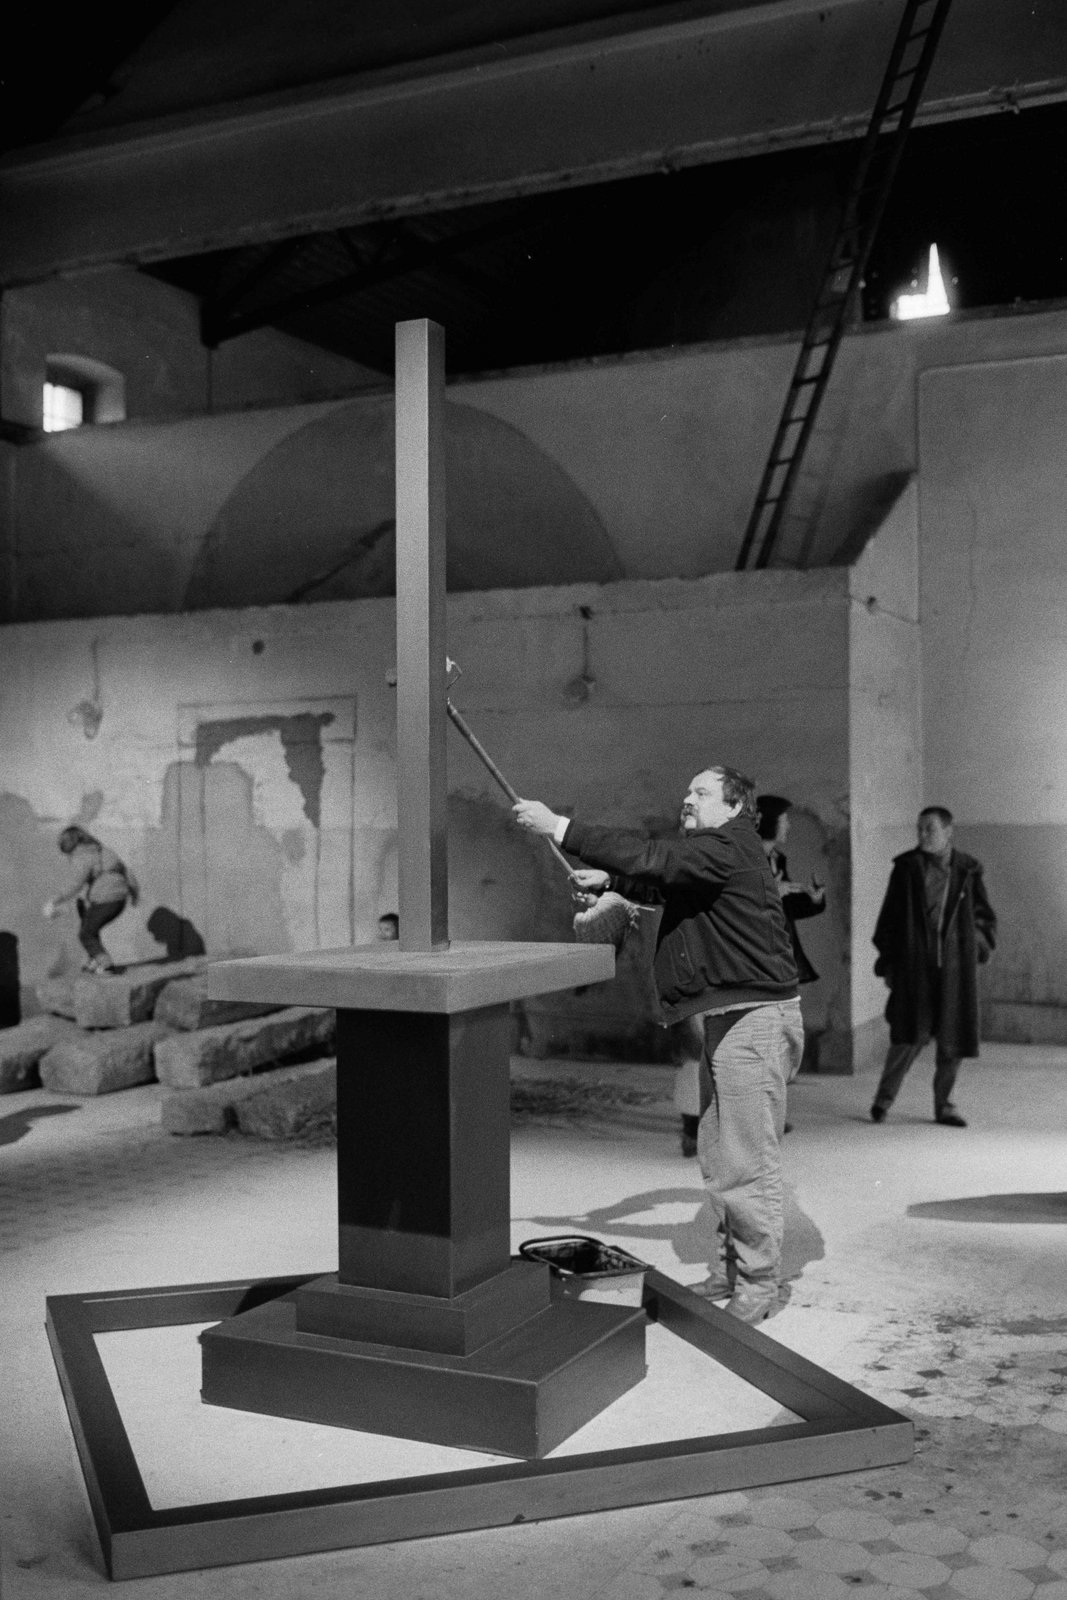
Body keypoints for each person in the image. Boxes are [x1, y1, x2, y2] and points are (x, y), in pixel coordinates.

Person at [513, 766, 803, 1324]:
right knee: (721, 1156)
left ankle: (760, 1283)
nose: (687, 799)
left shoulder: (730, 845)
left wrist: (560, 827)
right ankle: (731, 1270)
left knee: (747, 1162)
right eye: (687, 790)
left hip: (754, 1018)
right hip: (729, 1017)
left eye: (701, 792)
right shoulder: (713, 857)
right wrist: (612, 883)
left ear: (735, 807)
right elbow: (663, 883)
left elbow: (655, 859)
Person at [674, 793, 827, 1152]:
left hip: (768, 962)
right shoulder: (730, 856)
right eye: (785, 820)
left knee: (763, 1043)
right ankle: (694, 1126)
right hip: (728, 961)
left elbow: (782, 907)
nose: (789, 826)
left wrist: (811, 896)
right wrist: (770, 890)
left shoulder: (774, 859)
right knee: (704, 1047)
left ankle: (758, 1115)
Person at [871, 806, 996, 1127]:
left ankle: (945, 1106)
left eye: (930, 829)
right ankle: (883, 1100)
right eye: (919, 829)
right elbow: (889, 920)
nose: (922, 834)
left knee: (952, 1040)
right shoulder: (906, 868)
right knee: (907, 1036)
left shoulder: (968, 869)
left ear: (948, 831)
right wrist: (890, 964)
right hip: (915, 968)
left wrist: (974, 946)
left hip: (955, 970)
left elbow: (984, 917)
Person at [42, 825, 139, 974]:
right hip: (119, 901)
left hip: (105, 900)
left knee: (86, 934)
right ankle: (94, 959)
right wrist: (134, 893)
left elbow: (76, 883)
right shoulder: (103, 850)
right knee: (88, 922)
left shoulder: (82, 856)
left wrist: (55, 899)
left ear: (70, 844)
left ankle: (106, 965)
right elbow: (126, 872)